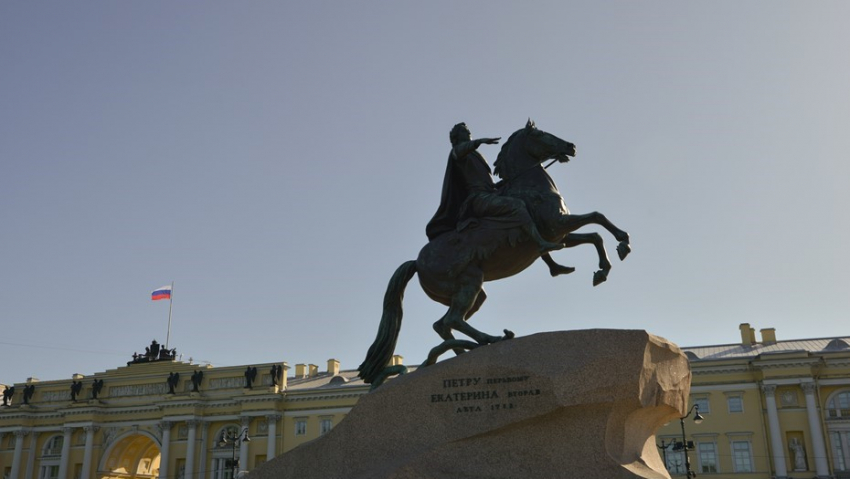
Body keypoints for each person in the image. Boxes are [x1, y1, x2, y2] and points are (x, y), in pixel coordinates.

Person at [426, 122, 564, 254]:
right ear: (456, 137)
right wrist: (479, 142)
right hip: (478, 199)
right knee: (517, 205)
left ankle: (550, 261)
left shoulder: (475, 154)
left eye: (468, 130)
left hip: (490, 194)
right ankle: (540, 243)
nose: (468, 132)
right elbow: (459, 151)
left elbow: (486, 182)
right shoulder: (458, 152)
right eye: (464, 131)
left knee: (527, 201)